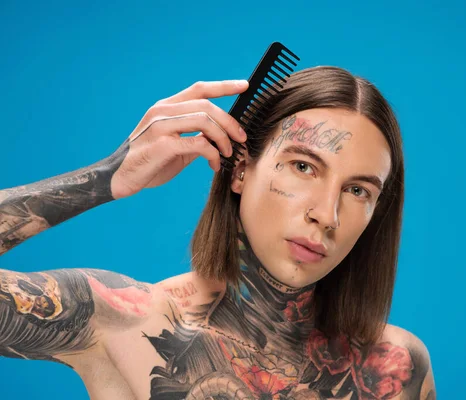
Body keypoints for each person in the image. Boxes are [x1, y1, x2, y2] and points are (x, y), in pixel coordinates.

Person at [0, 66, 436, 400]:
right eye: (303, 167)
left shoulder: (395, 366)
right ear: (241, 169)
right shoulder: (125, 321)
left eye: (358, 190)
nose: (327, 215)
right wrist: (107, 177)